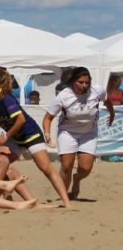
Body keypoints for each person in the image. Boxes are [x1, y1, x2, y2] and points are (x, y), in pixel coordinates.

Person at [0, 66, 72, 208]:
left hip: (30, 135)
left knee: (46, 169)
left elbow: (21, 120)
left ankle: (67, 203)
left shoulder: (6, 97)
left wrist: (6, 136)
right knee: (1, 161)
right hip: (16, 138)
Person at [42, 67, 115, 200]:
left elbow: (107, 101)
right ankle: (64, 196)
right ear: (73, 82)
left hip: (89, 132)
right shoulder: (63, 96)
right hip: (67, 132)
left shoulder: (97, 90)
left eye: (87, 82)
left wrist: (112, 113)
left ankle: (77, 179)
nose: (84, 85)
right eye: (81, 82)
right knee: (66, 166)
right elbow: (47, 118)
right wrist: (47, 136)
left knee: (85, 167)